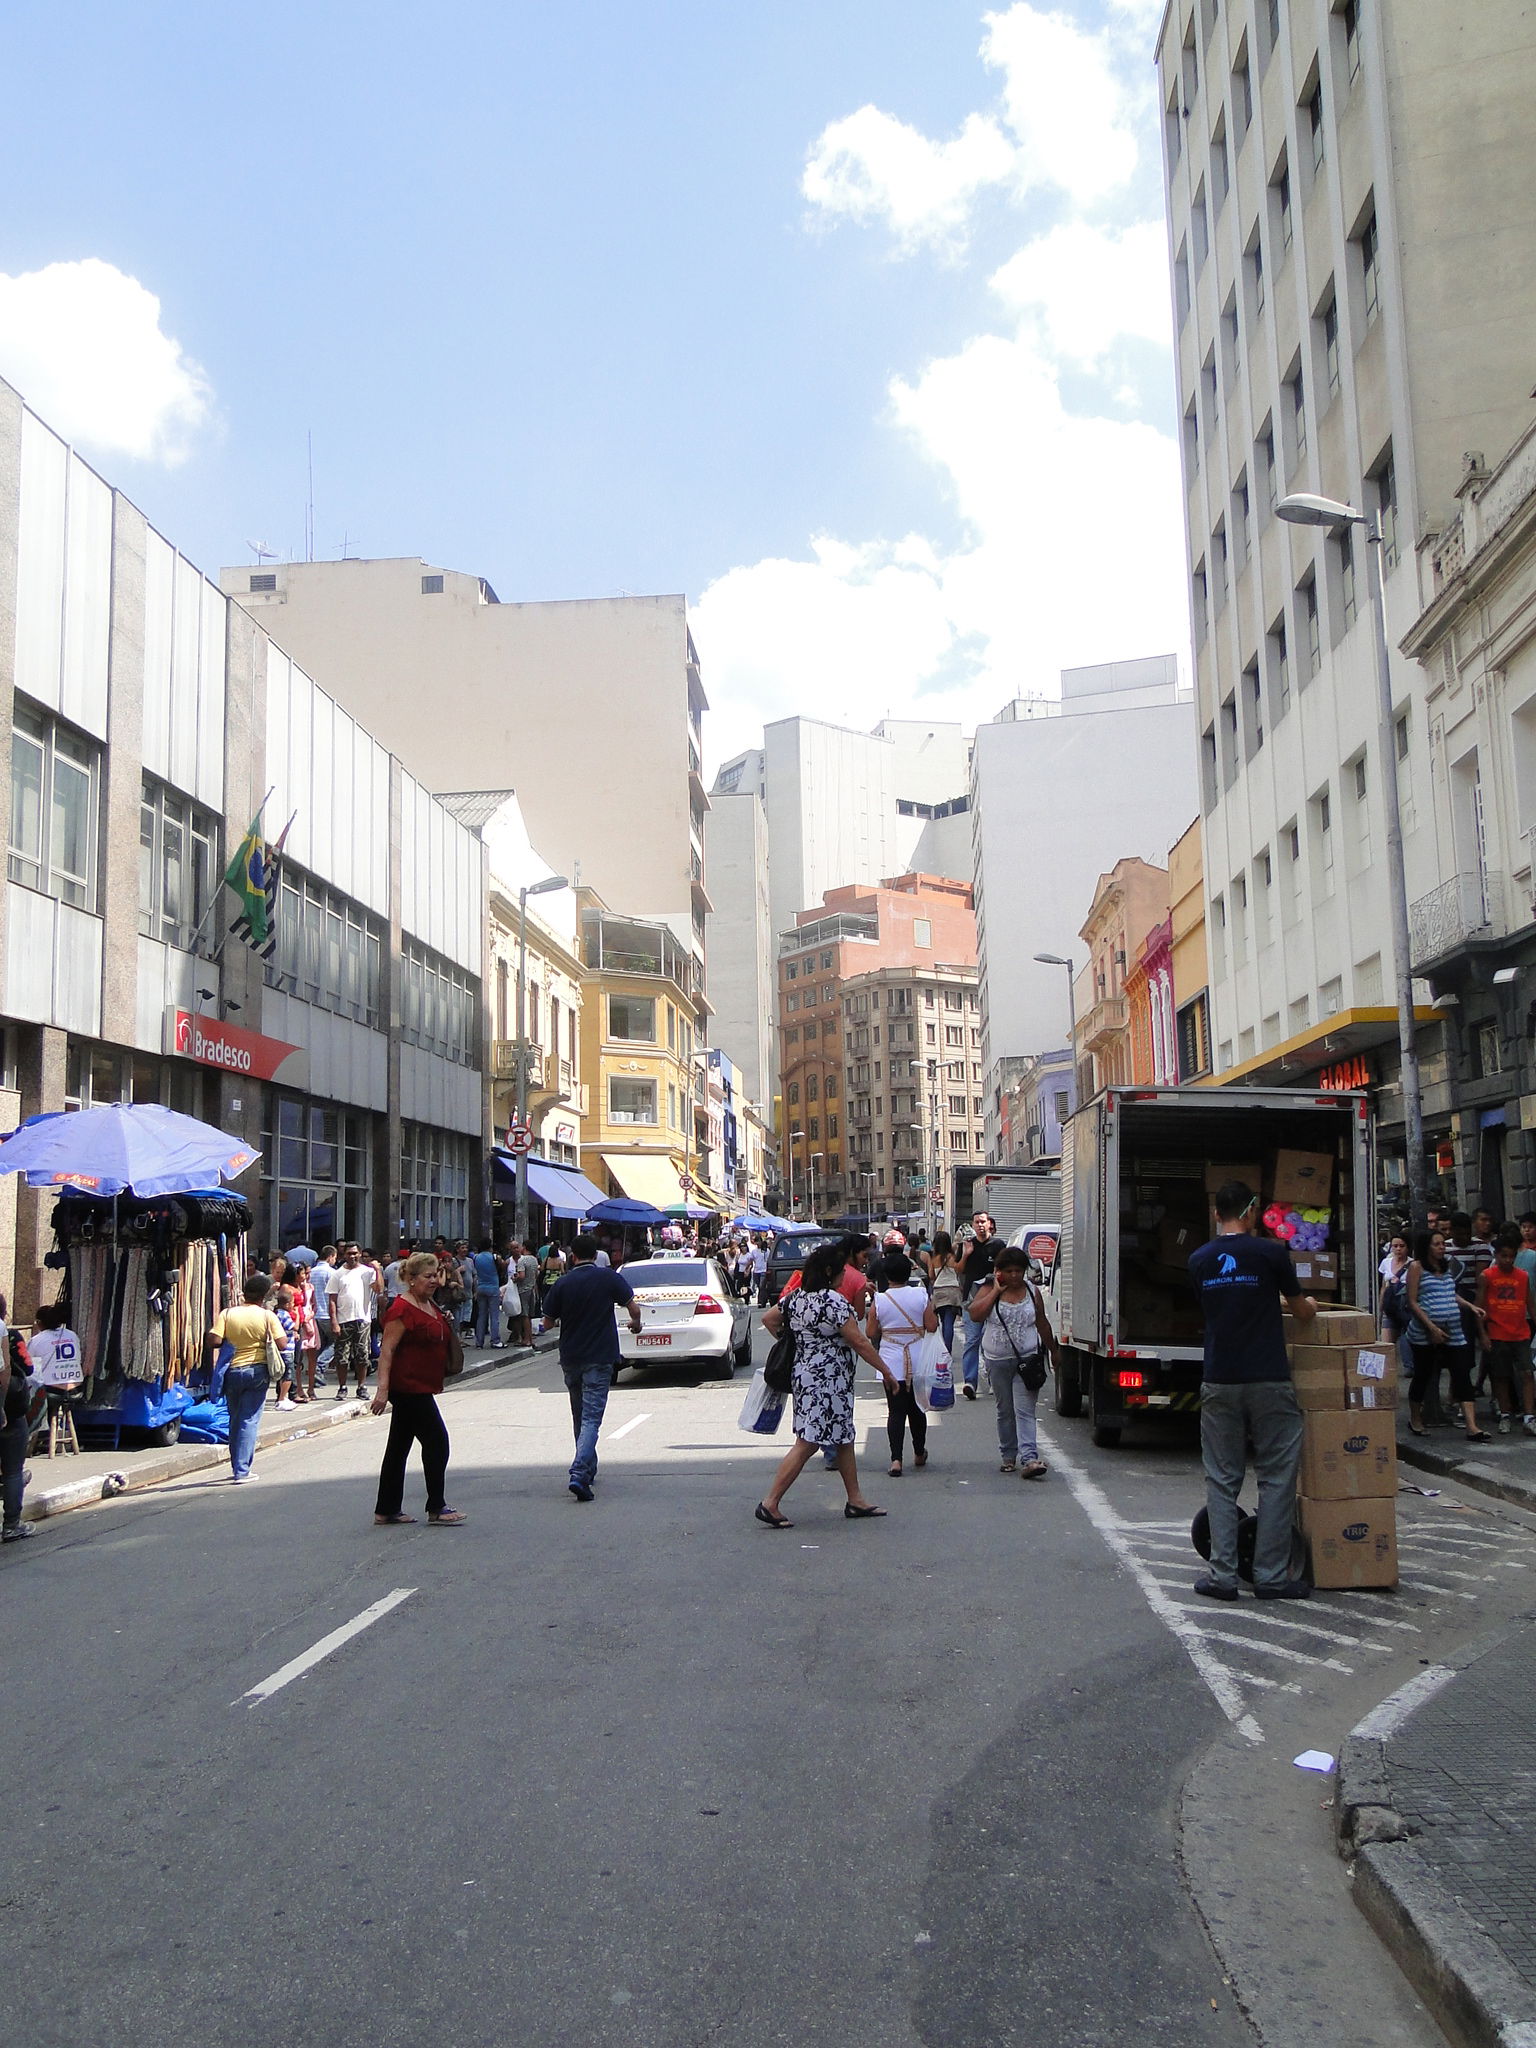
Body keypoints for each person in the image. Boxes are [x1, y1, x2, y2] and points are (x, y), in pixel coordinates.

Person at [1188, 1180, 1318, 1602]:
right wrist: (1309, 1305)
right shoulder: (1271, 1253)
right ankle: (1270, 1577)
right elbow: (1300, 1311)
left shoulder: (1199, 1260)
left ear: (1216, 1214)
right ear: (1252, 1211)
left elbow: (1216, 1309)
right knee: (1277, 1477)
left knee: (1222, 1478)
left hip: (1220, 1378)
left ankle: (1224, 1577)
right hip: (1268, 1378)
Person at [755, 1239, 895, 1528]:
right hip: (829, 1381)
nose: (845, 1274)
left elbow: (770, 1320)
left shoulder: (795, 1298)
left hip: (805, 1375)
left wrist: (794, 1344)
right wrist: (886, 1371)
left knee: (843, 1437)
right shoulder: (833, 1302)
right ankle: (770, 1502)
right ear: (831, 1271)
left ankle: (855, 1499)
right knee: (808, 1442)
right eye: (841, 1269)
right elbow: (858, 1341)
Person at [540, 1236, 640, 1501]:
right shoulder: (608, 1278)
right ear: (596, 1255)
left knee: (579, 1414)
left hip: (571, 1356)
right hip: (600, 1355)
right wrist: (635, 1325)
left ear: (573, 1256)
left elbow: (547, 1323)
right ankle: (580, 1472)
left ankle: (588, 1467)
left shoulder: (563, 1283)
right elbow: (634, 1308)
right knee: (591, 1419)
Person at [372, 1252, 465, 1526]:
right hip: (408, 1387)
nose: (434, 1280)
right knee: (437, 1442)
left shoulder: (429, 1304)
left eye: (436, 1275)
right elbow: (387, 1351)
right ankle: (436, 1506)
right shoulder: (401, 1308)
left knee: (398, 1448)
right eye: (428, 1276)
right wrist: (382, 1390)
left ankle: (386, 1509)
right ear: (411, 1280)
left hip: (422, 1384)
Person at [968, 1244, 1060, 1480]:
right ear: (998, 1271)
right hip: (997, 1360)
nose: (1014, 1276)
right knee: (1005, 1410)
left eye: (1018, 1271)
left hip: (1027, 1360)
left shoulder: (1032, 1291)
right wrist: (995, 1292)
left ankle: (1029, 1457)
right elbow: (975, 1314)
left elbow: (1041, 1322)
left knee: (1025, 1409)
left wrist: (1054, 1351)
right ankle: (1008, 1456)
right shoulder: (989, 1288)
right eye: (1008, 1271)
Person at [1407, 1228, 1488, 1440]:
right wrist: (1431, 1327)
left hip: (1453, 1329)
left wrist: (1470, 1306)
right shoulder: (1416, 1267)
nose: (1442, 1247)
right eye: (1437, 1244)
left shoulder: (1447, 1267)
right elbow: (1413, 1301)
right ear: (1427, 1247)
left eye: (1443, 1243)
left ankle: (1472, 1426)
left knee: (1462, 1373)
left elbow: (1450, 1293)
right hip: (1425, 1332)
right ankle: (1415, 1418)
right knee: (1423, 1375)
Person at [208, 1275, 289, 1484]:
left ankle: (237, 1465)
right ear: (264, 1296)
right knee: (249, 1420)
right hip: (257, 1372)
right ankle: (242, 1471)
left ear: (244, 1292)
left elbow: (214, 1340)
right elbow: (282, 1343)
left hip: (232, 1371)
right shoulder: (267, 1316)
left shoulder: (227, 1313)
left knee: (234, 1420)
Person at [869, 1249, 938, 1477]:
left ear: (886, 1275)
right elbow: (932, 1326)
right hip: (917, 1357)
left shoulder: (880, 1299)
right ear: (909, 1272)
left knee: (895, 1411)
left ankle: (896, 1459)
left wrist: (887, 1327)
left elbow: (870, 1331)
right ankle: (919, 1453)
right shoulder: (920, 1295)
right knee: (918, 1409)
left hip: (891, 1359)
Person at [1476, 1228, 1536, 1435]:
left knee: (1527, 1373)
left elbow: (1530, 1304)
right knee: (1501, 1376)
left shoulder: (1523, 1276)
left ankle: (1529, 1416)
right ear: (1496, 1255)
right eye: (1504, 1256)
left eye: (1511, 1256)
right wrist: (1483, 1334)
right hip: (1497, 1332)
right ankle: (1505, 1413)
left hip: (1521, 1332)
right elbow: (1479, 1308)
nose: (1508, 1260)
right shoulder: (1487, 1276)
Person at [0, 1301, 37, 1542]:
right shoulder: (7, 1333)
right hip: (9, 1412)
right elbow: (23, 1368)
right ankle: (12, 1525)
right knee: (13, 1470)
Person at [957, 1212, 1002, 1398]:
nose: (980, 1225)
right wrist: (966, 1254)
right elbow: (958, 1270)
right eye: (977, 1222)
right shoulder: (968, 1245)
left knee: (992, 1340)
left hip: (994, 1298)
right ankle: (970, 1382)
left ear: (989, 1224)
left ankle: (994, 1380)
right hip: (972, 1300)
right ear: (973, 1225)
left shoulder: (998, 1245)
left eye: (983, 1222)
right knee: (972, 1340)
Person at [325, 1242, 376, 1401]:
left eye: (355, 1253)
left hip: (362, 1319)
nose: (352, 1256)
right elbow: (332, 1299)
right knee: (342, 1357)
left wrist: (378, 1270)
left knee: (362, 1355)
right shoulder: (337, 1274)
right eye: (349, 1253)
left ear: (360, 1254)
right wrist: (334, 1321)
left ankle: (362, 1386)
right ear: (344, 1255)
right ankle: (342, 1387)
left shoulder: (367, 1272)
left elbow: (378, 1288)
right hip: (343, 1320)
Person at [1378, 1231, 1413, 1383]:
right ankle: (1385, 1374)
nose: (1398, 1249)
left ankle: (1409, 1366)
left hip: (1406, 1308)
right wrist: (1380, 1307)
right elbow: (1383, 1287)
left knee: (1407, 1337)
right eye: (1395, 1246)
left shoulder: (1413, 1265)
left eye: (1401, 1246)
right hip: (1389, 1307)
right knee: (1386, 1343)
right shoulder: (1386, 1263)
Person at [927, 1231, 964, 1354]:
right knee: (949, 1322)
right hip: (952, 1291)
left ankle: (942, 1349)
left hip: (939, 1291)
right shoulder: (952, 1257)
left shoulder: (934, 1258)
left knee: (943, 1321)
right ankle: (947, 1350)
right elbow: (959, 1270)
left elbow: (931, 1276)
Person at [308, 1245, 338, 1383]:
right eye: (335, 1258)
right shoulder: (331, 1273)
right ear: (330, 1256)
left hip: (314, 1314)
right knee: (335, 1343)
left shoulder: (311, 1272)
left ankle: (314, 1370)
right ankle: (319, 1365)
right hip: (327, 1313)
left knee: (320, 1343)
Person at [271, 1283, 301, 1409]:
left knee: (283, 1375)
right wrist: (298, 1316)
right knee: (288, 1375)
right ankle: (282, 1398)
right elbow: (294, 1326)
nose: (293, 1306)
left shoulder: (277, 1314)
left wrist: (293, 1334)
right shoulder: (284, 1314)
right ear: (288, 1304)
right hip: (287, 1350)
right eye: (292, 1303)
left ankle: (282, 1398)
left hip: (281, 1348)